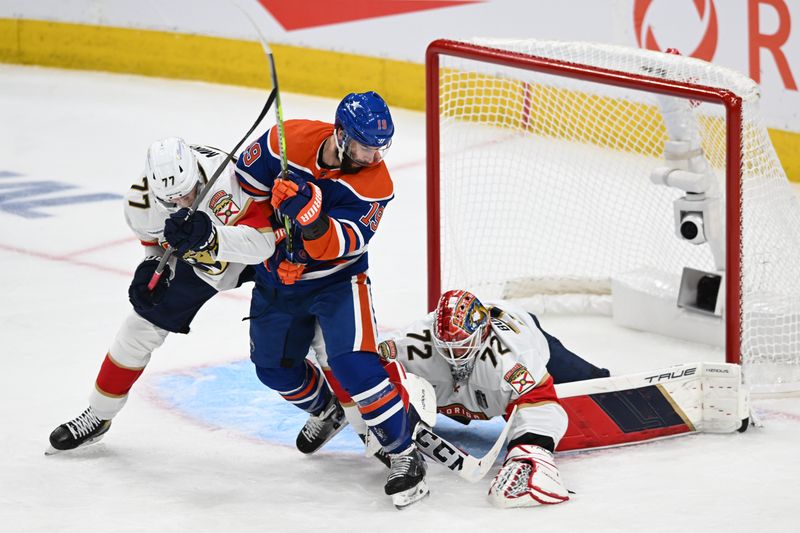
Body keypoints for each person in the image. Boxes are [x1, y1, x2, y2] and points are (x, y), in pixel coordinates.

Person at [234, 91, 428, 509]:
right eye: (363, 146)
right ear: (340, 135)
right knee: (272, 370)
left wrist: (309, 218)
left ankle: (404, 454)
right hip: (276, 282)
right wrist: (270, 237)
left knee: (353, 362)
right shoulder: (286, 141)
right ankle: (327, 411)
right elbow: (242, 197)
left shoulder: (377, 185)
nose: (373, 156)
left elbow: (337, 245)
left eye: (381, 147)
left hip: (337, 282)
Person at [48, 137, 276, 453]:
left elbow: (264, 244)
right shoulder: (140, 203)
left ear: (197, 175)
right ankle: (99, 415)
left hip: (262, 252)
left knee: (304, 336)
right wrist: (154, 268)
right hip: (205, 263)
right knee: (137, 328)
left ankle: (358, 416)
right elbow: (155, 247)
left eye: (189, 194)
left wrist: (211, 236)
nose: (182, 204)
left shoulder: (228, 180)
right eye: (172, 201)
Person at [372, 289, 608, 508]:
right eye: (447, 348)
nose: (455, 357)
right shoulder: (411, 341)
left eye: (462, 347)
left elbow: (538, 400)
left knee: (585, 377)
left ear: (483, 334)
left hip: (522, 325)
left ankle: (603, 376)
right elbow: (367, 364)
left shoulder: (513, 357)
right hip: (461, 387)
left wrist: (528, 450)